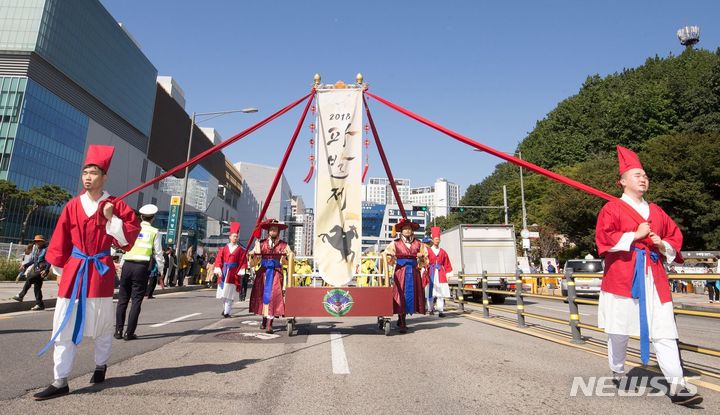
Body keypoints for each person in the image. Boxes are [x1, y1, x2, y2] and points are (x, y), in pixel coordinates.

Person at [595, 145, 701, 406]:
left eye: (645, 175)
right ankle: (618, 370)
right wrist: (635, 235)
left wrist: (661, 243)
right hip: (623, 277)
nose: (643, 179)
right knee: (618, 332)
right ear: (622, 181)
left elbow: (674, 237)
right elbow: (604, 239)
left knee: (665, 331)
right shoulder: (612, 208)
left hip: (654, 276)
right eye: (637, 175)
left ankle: (678, 387)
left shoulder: (657, 212)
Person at [33, 145, 140, 401]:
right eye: (85, 173)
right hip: (75, 270)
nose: (87, 177)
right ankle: (60, 380)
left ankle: (101, 364)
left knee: (102, 325)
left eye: (93, 173)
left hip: (99, 273)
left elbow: (130, 237)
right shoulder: (72, 206)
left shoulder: (115, 205)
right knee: (63, 326)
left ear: (104, 177)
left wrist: (111, 219)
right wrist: (58, 269)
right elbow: (60, 239)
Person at [115, 204, 163, 340]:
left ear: (141, 217)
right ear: (153, 218)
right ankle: (129, 333)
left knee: (122, 299)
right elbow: (158, 254)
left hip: (128, 265)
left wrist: (122, 264)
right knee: (136, 300)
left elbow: (126, 248)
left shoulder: (133, 228)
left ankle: (118, 331)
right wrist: (160, 270)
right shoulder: (155, 232)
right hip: (141, 267)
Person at [383, 218, 427, 333]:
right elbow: (386, 256)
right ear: (401, 230)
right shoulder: (395, 243)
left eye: (409, 228)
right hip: (400, 272)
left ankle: (403, 318)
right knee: (400, 295)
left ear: (412, 230)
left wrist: (421, 257)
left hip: (413, 272)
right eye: (405, 228)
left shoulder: (419, 243)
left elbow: (425, 259)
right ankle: (402, 320)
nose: (407, 231)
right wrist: (391, 256)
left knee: (411, 297)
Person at [248, 219, 293, 334]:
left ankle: (269, 324)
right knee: (262, 295)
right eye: (271, 229)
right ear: (268, 231)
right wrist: (252, 255)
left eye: (275, 229)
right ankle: (264, 320)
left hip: (276, 273)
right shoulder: (260, 243)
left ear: (278, 232)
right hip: (263, 273)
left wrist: (288, 256)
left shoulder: (284, 245)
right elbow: (254, 259)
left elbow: (289, 259)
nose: (273, 231)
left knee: (273, 296)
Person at [214, 222, 246, 317]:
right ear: (230, 237)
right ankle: (225, 310)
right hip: (224, 272)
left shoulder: (240, 249)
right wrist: (218, 269)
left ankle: (227, 312)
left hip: (233, 273)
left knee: (230, 293)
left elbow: (243, 261)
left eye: (236, 236)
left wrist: (241, 270)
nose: (235, 238)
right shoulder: (224, 248)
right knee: (224, 293)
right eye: (233, 236)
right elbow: (219, 259)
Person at [12, 235, 50, 310]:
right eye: (36, 241)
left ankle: (21, 295)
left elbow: (49, 261)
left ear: (42, 242)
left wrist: (46, 270)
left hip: (42, 270)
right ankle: (40, 304)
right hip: (36, 269)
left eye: (38, 241)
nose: (37, 243)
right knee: (37, 287)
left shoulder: (46, 250)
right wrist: (25, 265)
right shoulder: (36, 250)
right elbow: (33, 261)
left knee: (30, 278)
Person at [426, 227, 453, 317]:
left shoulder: (443, 252)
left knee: (440, 293)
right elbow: (425, 262)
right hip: (431, 272)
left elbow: (447, 263)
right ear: (432, 240)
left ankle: (441, 310)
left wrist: (448, 274)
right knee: (430, 292)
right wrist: (424, 271)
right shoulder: (428, 251)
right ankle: (430, 309)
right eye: (436, 239)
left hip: (440, 273)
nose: (437, 241)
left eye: (438, 239)